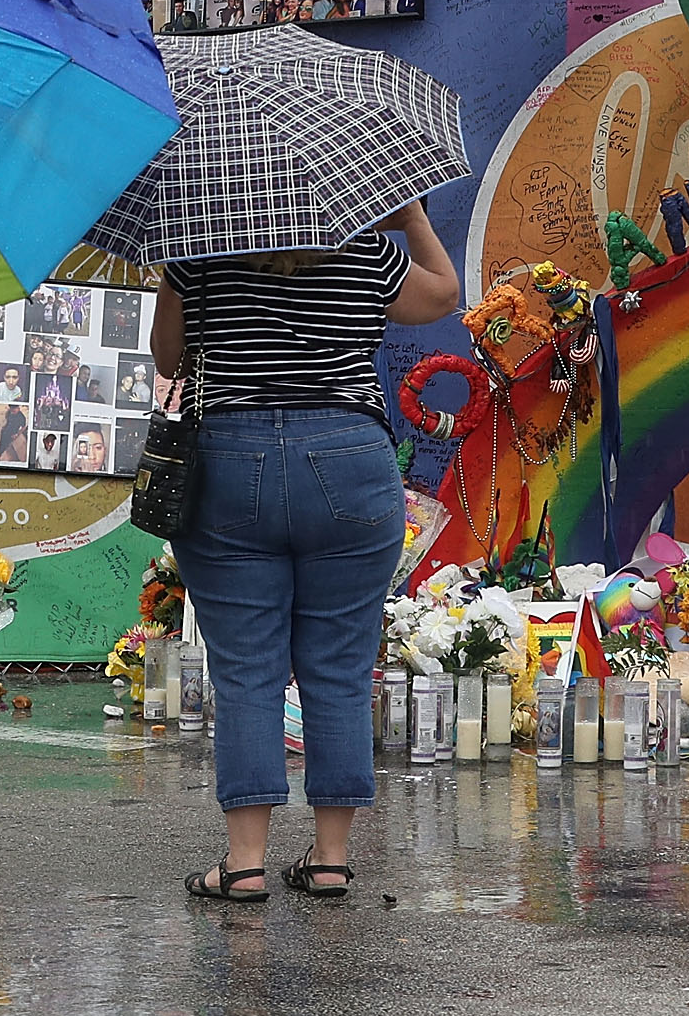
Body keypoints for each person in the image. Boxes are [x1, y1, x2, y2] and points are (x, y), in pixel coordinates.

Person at [155, 200, 461, 903]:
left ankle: (245, 863)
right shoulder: (365, 253)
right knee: (339, 671)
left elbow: (170, 358)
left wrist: (175, 271)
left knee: (246, 671)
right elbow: (441, 293)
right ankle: (328, 860)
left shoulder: (200, 252)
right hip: (349, 459)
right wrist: (411, 218)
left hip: (230, 459)